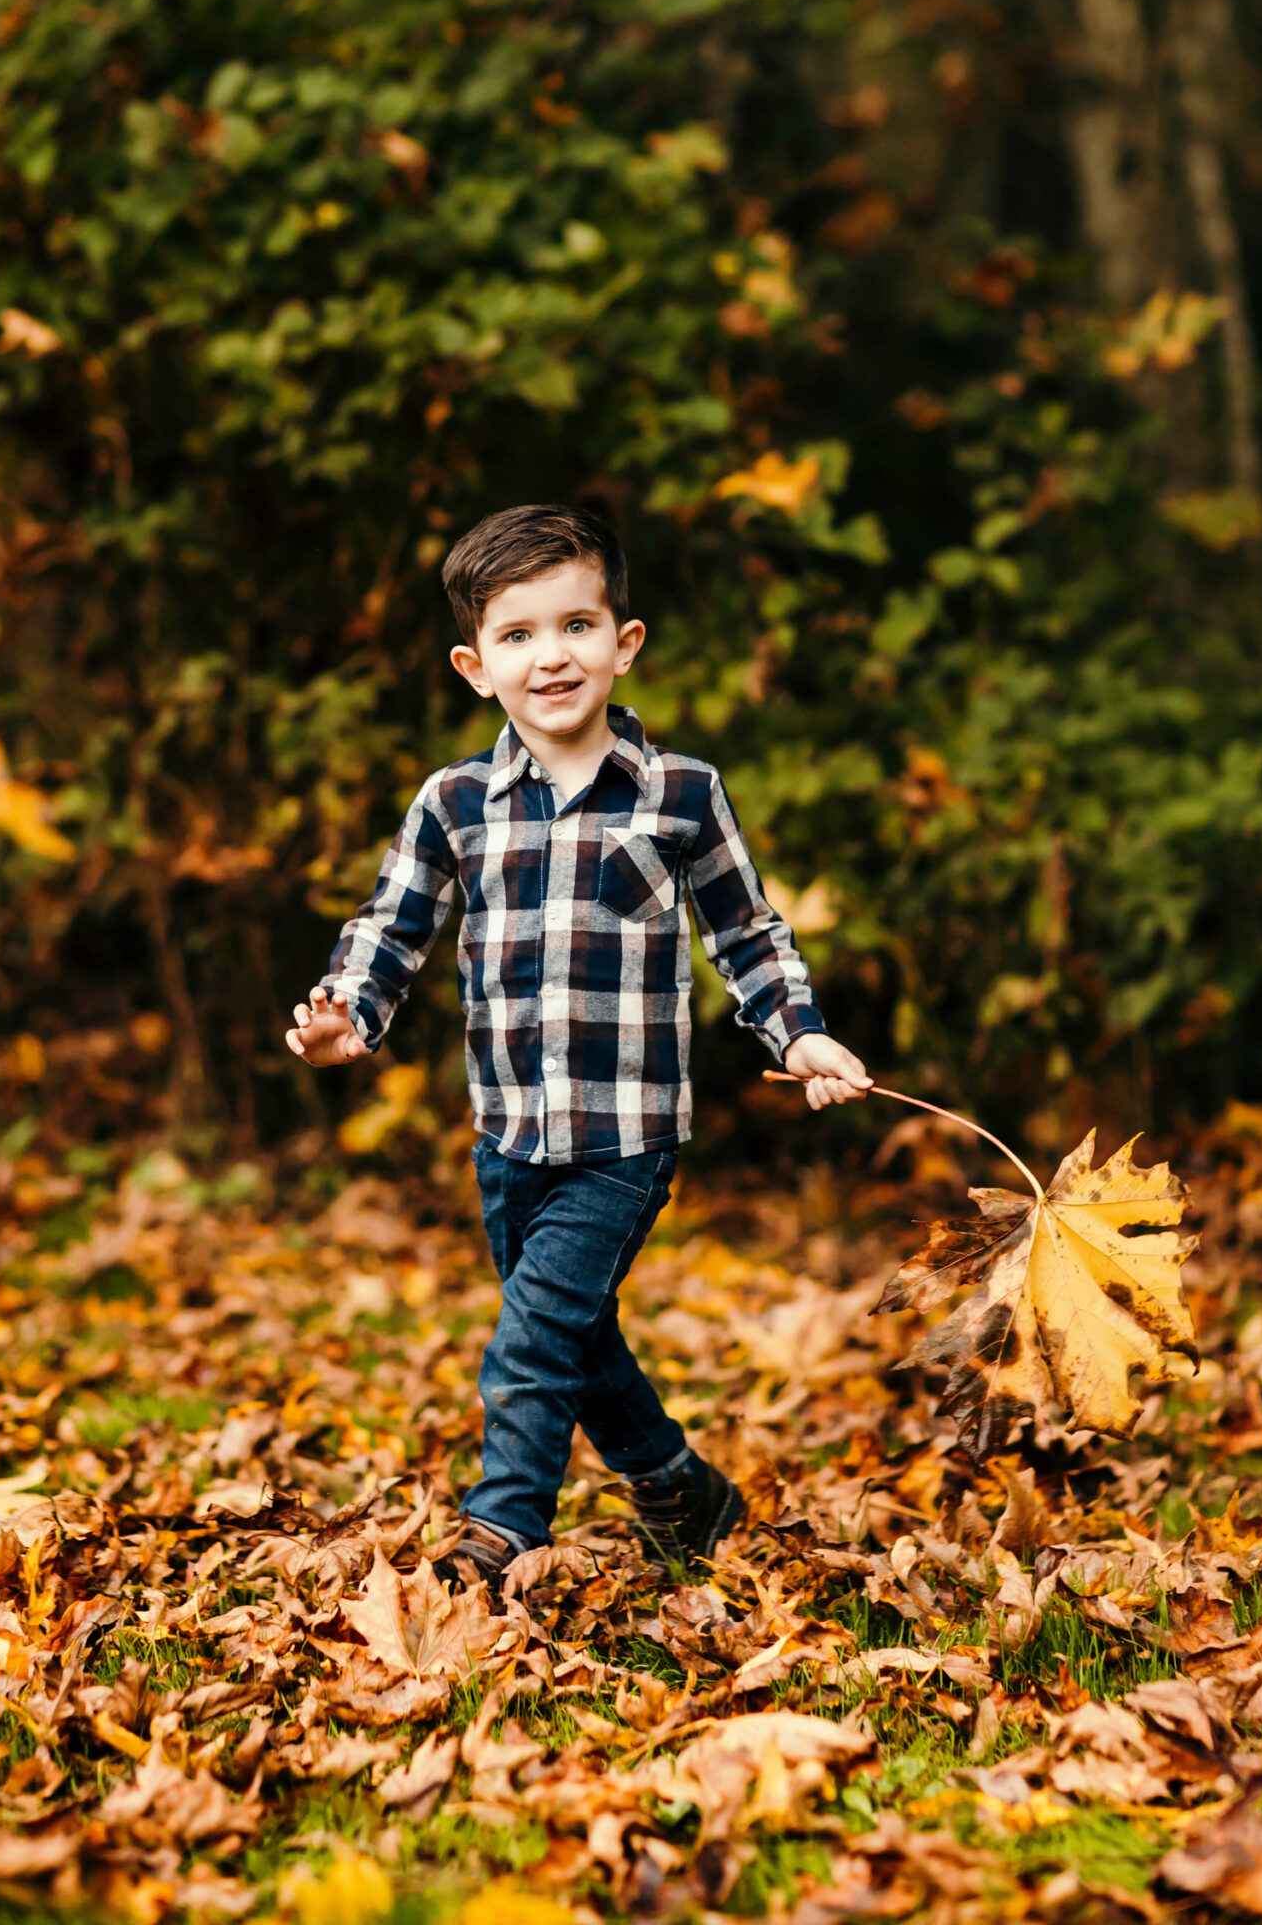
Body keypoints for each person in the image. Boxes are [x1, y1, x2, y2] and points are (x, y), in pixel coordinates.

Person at [286, 504, 871, 1598]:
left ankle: (501, 1526)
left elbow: (746, 930)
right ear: (475, 665)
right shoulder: (454, 801)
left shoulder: (681, 795)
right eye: (517, 635)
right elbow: (390, 926)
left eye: (576, 625)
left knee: (532, 1335)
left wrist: (801, 1033)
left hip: (626, 1135)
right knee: (575, 1326)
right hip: (507, 1129)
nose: (550, 655)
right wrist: (345, 1014)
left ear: (623, 640)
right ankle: (679, 1487)